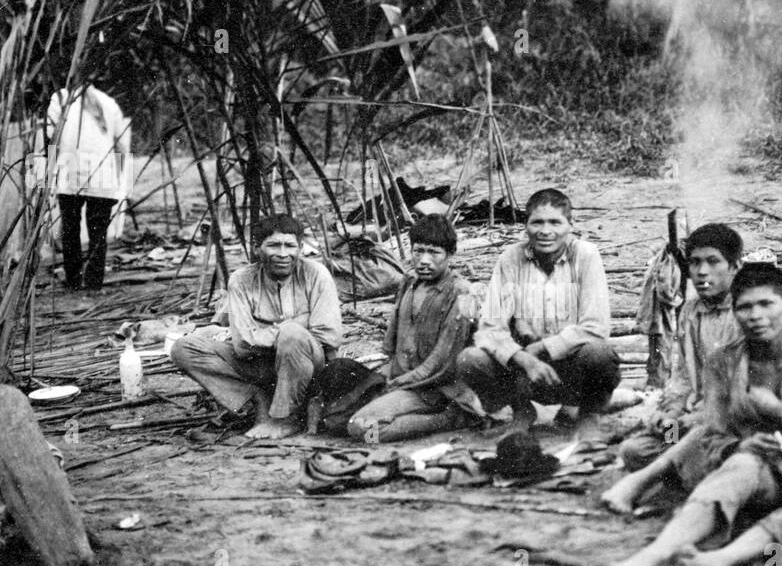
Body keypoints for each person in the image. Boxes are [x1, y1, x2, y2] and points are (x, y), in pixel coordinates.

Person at [602, 263, 782, 566]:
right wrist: (739, 446)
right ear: (735, 313)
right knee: (736, 463)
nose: (755, 315)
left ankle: (719, 559)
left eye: (766, 304)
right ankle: (651, 555)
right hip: (752, 471)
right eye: (745, 307)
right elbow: (712, 434)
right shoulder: (722, 360)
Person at [456, 187, 620, 428]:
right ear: (526, 226)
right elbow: (489, 328)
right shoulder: (511, 258)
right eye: (537, 222)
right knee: (470, 359)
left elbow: (596, 326)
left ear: (570, 225)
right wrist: (525, 359)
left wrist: (542, 348)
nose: (545, 231)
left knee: (599, 354)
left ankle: (588, 416)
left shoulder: (586, 255)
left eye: (555, 222)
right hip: (526, 372)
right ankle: (522, 410)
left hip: (571, 370)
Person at [171, 213, 342, 440]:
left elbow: (327, 336)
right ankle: (257, 399)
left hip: (308, 368)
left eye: (289, 246)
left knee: (292, 336)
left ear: (300, 248)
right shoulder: (241, 280)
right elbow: (242, 345)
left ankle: (284, 419)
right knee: (184, 348)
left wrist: (283, 334)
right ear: (257, 249)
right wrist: (298, 323)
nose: (283, 254)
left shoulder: (316, 275)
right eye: (273, 245)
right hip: (259, 366)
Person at [340, 214, 479, 442]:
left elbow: (443, 360)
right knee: (335, 419)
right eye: (418, 251)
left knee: (362, 429)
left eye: (434, 253)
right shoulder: (409, 283)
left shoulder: (461, 293)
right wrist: (387, 377)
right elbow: (392, 343)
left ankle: (449, 419)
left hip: (436, 387)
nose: (424, 260)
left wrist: (402, 382)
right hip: (404, 377)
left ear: (450, 254)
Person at [618, 223, 743, 473]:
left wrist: (693, 419)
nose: (702, 272)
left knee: (706, 451)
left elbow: (745, 395)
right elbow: (684, 376)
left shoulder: (748, 314)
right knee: (635, 450)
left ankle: (688, 466)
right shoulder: (690, 310)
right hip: (690, 420)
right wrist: (670, 412)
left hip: (731, 423)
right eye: (695, 262)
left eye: (713, 261)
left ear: (735, 267)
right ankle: (677, 460)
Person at [45, 85, 132, 292]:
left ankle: (74, 281)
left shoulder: (60, 98)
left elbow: (50, 137)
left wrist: (48, 174)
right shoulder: (109, 102)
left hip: (70, 171)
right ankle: (93, 284)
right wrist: (116, 176)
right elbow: (122, 145)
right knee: (98, 233)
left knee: (70, 230)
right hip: (102, 174)